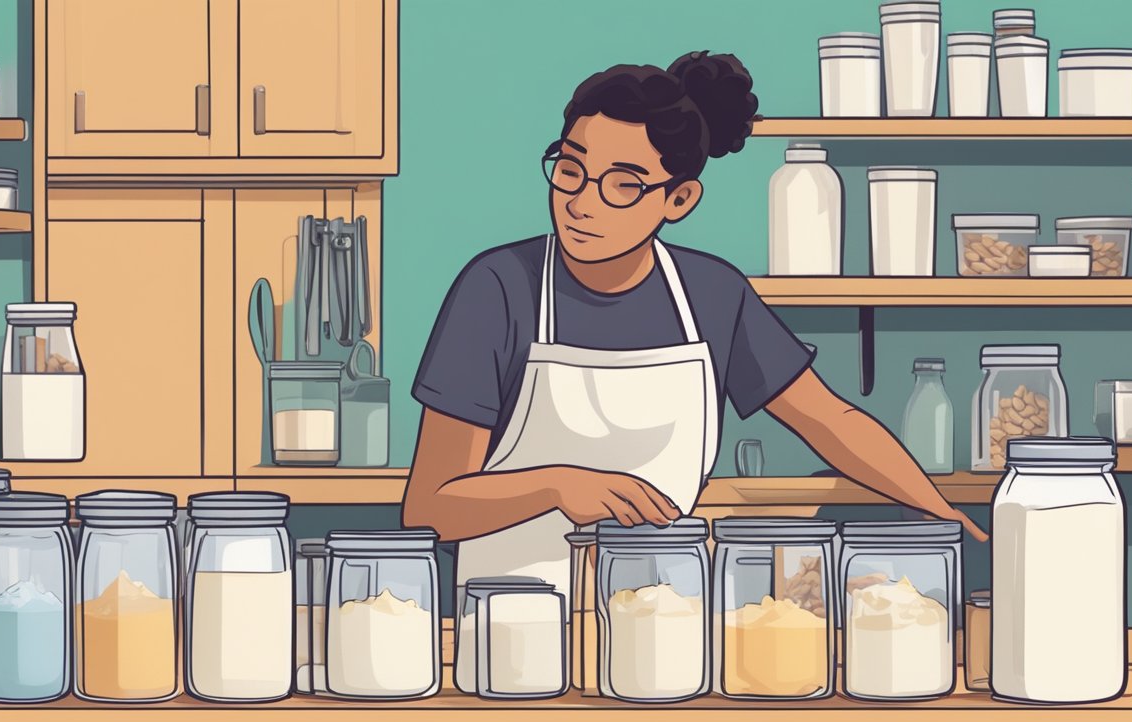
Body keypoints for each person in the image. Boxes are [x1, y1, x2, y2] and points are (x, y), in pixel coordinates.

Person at [403, 50, 986, 598]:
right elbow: (431, 505)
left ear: (678, 200)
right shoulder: (500, 287)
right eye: (571, 170)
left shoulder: (712, 295)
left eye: (623, 184)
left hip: (665, 613)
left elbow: (828, 419)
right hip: (515, 620)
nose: (581, 201)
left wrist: (933, 506)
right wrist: (558, 485)